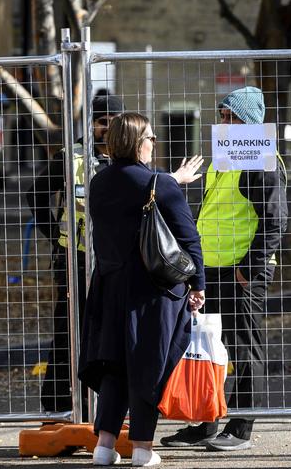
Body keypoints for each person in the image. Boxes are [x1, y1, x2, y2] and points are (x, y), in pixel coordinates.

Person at [160, 86, 288, 451]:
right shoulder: (226, 156)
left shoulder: (260, 158)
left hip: (240, 270)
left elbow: (276, 220)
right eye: (222, 115)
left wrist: (250, 268)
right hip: (212, 268)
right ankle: (205, 422)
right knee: (207, 347)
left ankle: (241, 426)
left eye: (232, 116)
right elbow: (214, 210)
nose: (224, 122)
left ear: (250, 121)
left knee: (244, 347)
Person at [78, 112, 206, 467]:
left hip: (109, 287)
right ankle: (143, 450)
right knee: (148, 365)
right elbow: (189, 238)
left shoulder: (99, 183)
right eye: (150, 137)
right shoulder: (159, 185)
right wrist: (198, 284)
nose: (154, 143)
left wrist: (169, 179)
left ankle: (104, 446)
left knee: (114, 364)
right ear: (138, 142)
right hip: (152, 291)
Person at [27, 93, 125, 415]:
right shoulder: (72, 157)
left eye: (113, 122)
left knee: (113, 335)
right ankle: (57, 407)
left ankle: (102, 407)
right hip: (76, 260)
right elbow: (36, 194)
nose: (107, 129)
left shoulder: (129, 157)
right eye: (101, 123)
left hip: (116, 263)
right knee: (69, 334)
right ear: (91, 124)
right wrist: (55, 236)